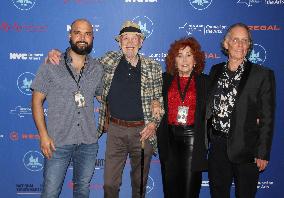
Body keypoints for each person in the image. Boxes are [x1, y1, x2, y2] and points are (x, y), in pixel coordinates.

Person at [45, 20, 164, 198]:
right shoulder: (107, 60)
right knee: (109, 184)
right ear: (119, 42)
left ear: (141, 42)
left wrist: (154, 123)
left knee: (139, 185)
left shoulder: (153, 66)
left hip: (143, 131)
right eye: (125, 38)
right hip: (115, 130)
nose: (130, 42)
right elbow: (80, 60)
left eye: (135, 38)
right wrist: (57, 55)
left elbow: (158, 100)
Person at [31, 19, 104, 198]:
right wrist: (43, 136)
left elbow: (103, 97)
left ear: (92, 38)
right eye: (78, 32)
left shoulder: (97, 68)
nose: (82, 37)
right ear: (69, 35)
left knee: (82, 190)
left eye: (87, 34)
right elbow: (36, 101)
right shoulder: (51, 64)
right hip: (58, 142)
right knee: (50, 192)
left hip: (88, 142)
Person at [206, 23, 276, 198]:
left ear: (249, 46)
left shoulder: (262, 74)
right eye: (235, 39)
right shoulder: (215, 71)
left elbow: (267, 118)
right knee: (218, 194)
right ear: (226, 44)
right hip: (218, 147)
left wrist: (262, 152)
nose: (239, 44)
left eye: (244, 40)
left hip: (247, 149)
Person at [153, 37, 208, 198]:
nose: (184, 60)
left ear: (195, 60)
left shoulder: (205, 82)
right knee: (170, 190)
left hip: (192, 139)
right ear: (173, 60)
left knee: (189, 190)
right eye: (179, 55)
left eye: (189, 55)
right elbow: (148, 95)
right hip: (169, 139)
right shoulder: (163, 80)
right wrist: (155, 101)